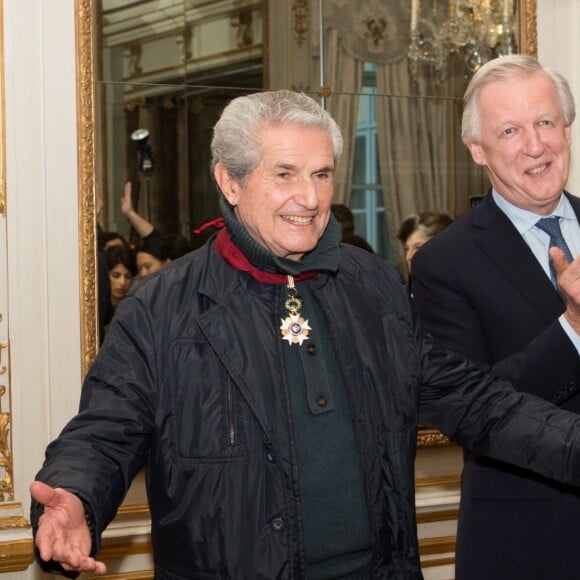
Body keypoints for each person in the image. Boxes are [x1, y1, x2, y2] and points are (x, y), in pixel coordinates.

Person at [29, 90, 580, 579]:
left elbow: (483, 405)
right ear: (230, 180)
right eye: (285, 174)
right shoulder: (162, 307)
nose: (311, 199)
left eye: (321, 174)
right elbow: (104, 432)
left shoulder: (375, 289)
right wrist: (73, 496)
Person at [412, 55, 580, 580]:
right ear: (477, 149)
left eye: (546, 122)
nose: (535, 145)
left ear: (567, 129)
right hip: (533, 544)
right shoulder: (444, 263)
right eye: (510, 130)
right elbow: (473, 408)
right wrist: (573, 327)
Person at [104, 244, 137, 316]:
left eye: (128, 277)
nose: (123, 282)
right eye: (116, 276)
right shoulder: (95, 307)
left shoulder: (136, 308)